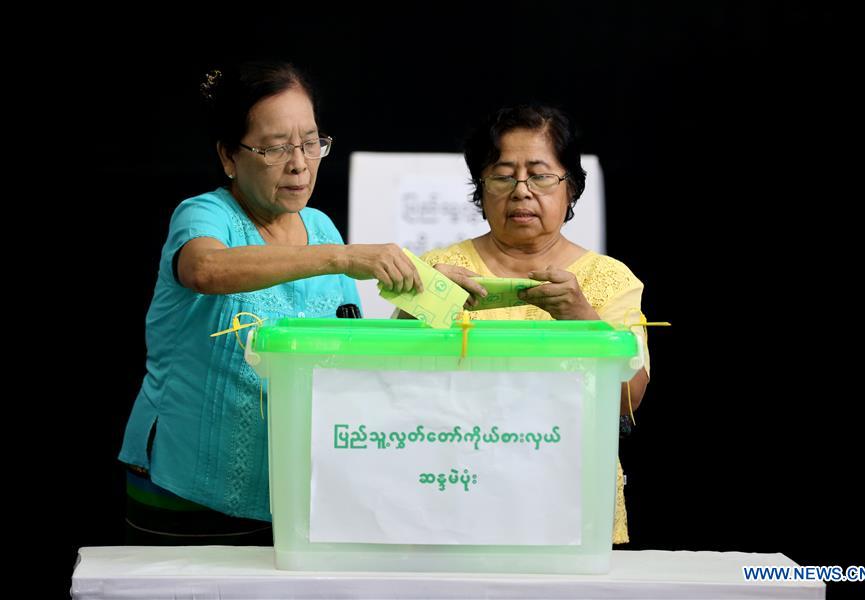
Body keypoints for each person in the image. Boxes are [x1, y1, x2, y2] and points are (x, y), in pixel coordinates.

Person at [118, 60, 421, 544]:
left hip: (291, 489)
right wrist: (338, 259)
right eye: (277, 147)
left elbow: (347, 351)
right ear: (229, 157)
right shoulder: (204, 215)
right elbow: (205, 270)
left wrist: (422, 298)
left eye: (310, 142)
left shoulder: (320, 228)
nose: (300, 163)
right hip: (186, 488)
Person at [416, 104, 650, 544]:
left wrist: (582, 318)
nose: (521, 191)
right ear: (480, 190)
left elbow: (628, 399)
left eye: (540, 175)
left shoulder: (610, 279)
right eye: (504, 176)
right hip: (453, 492)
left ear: (572, 189)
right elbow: (385, 381)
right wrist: (427, 302)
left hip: (569, 497)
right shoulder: (439, 269)